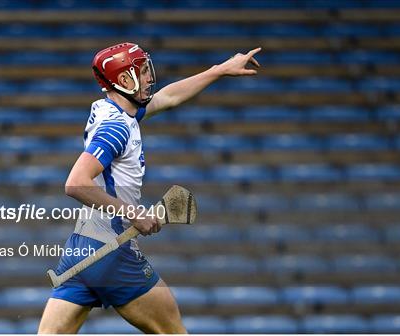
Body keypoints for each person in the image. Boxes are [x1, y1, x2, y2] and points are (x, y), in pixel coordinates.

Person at [38, 42, 261, 334]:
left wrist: (219, 70)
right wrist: (134, 213)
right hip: (112, 251)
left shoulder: (112, 109)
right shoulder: (115, 129)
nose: (149, 79)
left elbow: (168, 97)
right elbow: (75, 183)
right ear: (123, 80)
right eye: (141, 72)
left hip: (82, 248)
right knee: (173, 332)